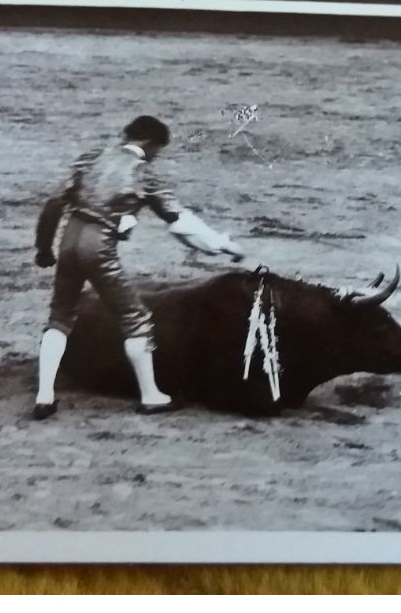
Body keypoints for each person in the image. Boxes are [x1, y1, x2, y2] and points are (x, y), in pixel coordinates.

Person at [31, 115, 245, 419]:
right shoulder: (144, 175)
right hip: (98, 244)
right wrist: (223, 245)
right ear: (149, 144)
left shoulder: (91, 159)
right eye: (157, 150)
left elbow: (54, 203)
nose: (156, 156)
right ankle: (151, 396)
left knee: (61, 313)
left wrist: (44, 247)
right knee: (135, 317)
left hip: (70, 237)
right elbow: (180, 220)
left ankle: (44, 395)